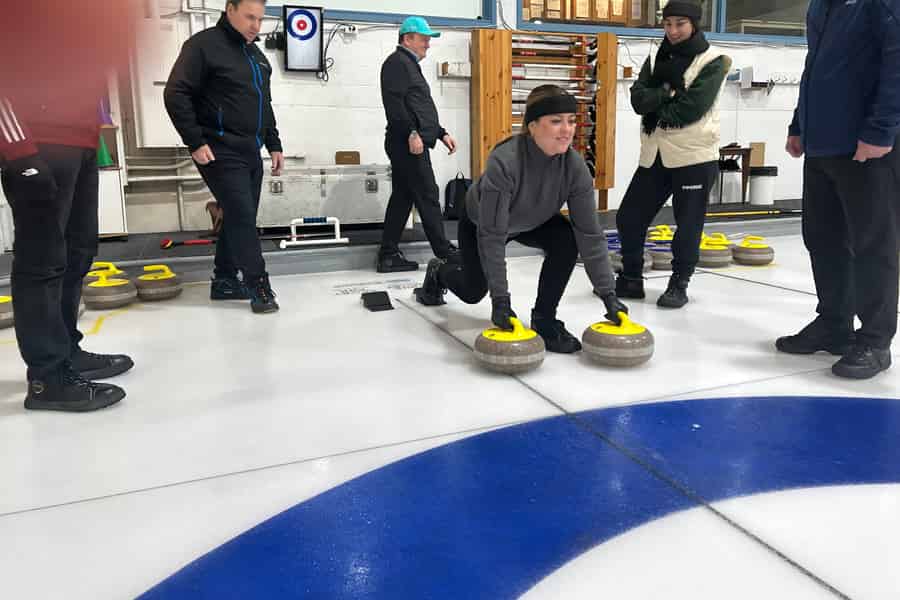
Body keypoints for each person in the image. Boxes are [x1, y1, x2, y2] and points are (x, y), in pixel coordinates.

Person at [414, 86, 627, 353]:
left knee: (567, 240)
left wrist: (609, 296)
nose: (567, 129)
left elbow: (590, 234)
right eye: (556, 121)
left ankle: (545, 320)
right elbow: (492, 235)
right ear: (533, 125)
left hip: (533, 219)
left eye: (571, 121)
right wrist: (501, 302)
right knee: (472, 292)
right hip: (483, 220)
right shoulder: (505, 162)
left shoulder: (575, 168)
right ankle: (439, 272)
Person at [0, 3, 135, 412]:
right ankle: (47, 377)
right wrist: (17, 149)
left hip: (80, 143)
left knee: (77, 252)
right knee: (41, 262)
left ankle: (65, 351)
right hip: (35, 142)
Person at [777, 0, 900, 379]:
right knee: (823, 238)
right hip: (822, 143)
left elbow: (897, 63)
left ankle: (876, 341)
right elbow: (814, 66)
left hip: (866, 146)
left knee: (872, 245)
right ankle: (834, 324)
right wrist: (799, 123)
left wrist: (881, 131)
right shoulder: (822, 5)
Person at [165, 0, 283, 314]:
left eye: (260, 19)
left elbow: (265, 105)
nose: (256, 25)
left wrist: (274, 144)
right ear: (230, 9)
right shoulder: (203, 46)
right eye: (249, 17)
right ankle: (258, 285)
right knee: (242, 216)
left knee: (237, 216)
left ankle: (225, 280)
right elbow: (175, 93)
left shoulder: (257, 56)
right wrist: (195, 141)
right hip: (219, 150)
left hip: (251, 149)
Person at [614, 0, 731, 309]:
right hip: (654, 154)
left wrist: (659, 100)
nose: (673, 30)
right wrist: (666, 93)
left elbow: (690, 108)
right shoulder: (656, 56)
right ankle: (631, 278)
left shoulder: (715, 60)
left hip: (693, 157)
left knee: (688, 225)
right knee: (629, 217)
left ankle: (679, 283)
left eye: (680, 24)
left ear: (694, 24)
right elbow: (639, 100)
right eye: (668, 24)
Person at [377, 16, 458, 273]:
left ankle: (388, 254)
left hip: (413, 140)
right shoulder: (396, 63)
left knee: (403, 198)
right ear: (407, 38)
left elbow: (418, 107)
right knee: (428, 193)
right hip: (406, 142)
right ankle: (444, 253)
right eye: (424, 39)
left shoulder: (408, 65)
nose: (428, 45)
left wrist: (441, 133)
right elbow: (395, 104)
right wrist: (412, 133)